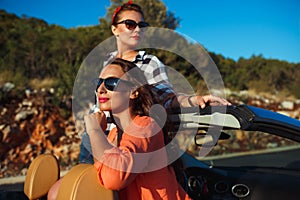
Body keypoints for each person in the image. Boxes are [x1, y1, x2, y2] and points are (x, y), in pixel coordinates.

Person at [79, 1, 231, 164]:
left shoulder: (149, 63)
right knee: (75, 185)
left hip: (123, 143)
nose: (137, 30)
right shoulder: (106, 61)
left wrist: (193, 100)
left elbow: (166, 96)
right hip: (93, 138)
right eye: (130, 24)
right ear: (114, 29)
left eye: (141, 26)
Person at [48, 58, 191, 200]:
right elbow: (99, 177)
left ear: (134, 92)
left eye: (111, 83)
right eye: (98, 83)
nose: (101, 89)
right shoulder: (114, 134)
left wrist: (95, 131)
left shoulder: (146, 126)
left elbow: (113, 178)